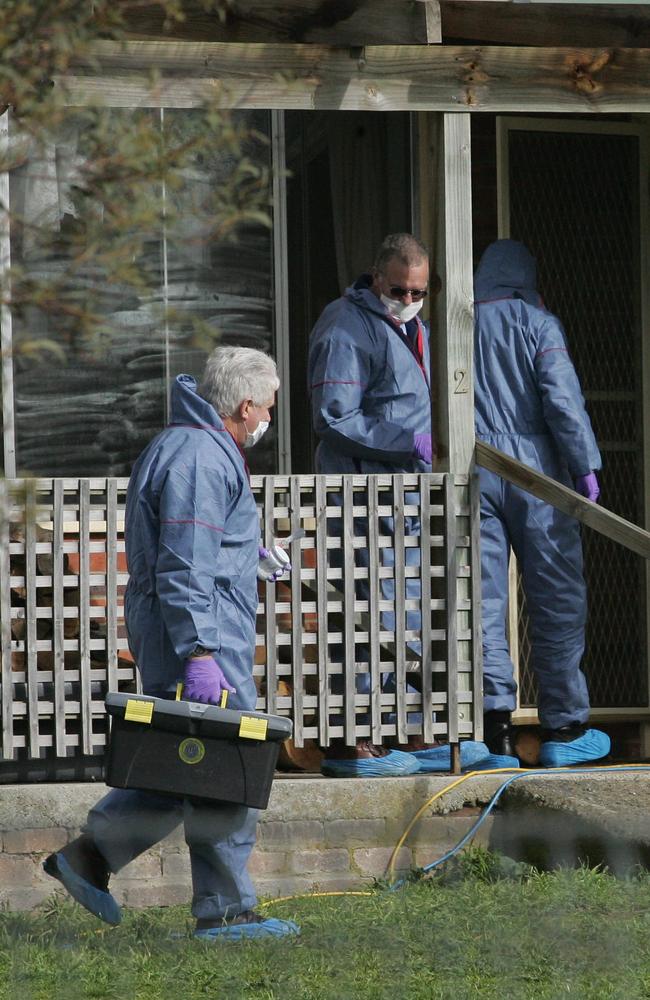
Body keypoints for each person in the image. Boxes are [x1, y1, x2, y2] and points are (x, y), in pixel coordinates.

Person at [44, 346, 299, 940]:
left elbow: (193, 546)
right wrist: (201, 652)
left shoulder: (188, 444)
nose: (268, 419)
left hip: (190, 628)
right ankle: (225, 911)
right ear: (243, 405)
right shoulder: (201, 459)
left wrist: (245, 555)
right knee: (228, 769)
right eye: (267, 408)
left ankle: (89, 859)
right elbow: (183, 565)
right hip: (200, 638)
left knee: (182, 763)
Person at [308, 232, 490, 777]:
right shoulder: (345, 325)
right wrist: (404, 442)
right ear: (375, 276)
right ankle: (354, 740)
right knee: (364, 616)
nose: (408, 299)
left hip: (403, 496)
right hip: (360, 492)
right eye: (399, 289)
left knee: (399, 616)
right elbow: (333, 415)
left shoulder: (416, 330)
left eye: (418, 291)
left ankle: (388, 731)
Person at [474, 239, 610, 768]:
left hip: (474, 468)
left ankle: (495, 733)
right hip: (538, 473)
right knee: (556, 598)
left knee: (481, 603)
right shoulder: (537, 323)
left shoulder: (452, 324)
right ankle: (564, 727)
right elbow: (562, 401)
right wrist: (584, 466)